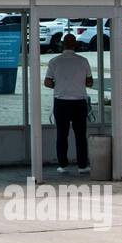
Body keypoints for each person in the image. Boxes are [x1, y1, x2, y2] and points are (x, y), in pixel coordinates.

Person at [44, 33, 93, 174]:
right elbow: (90, 82)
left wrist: (60, 85)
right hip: (79, 102)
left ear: (62, 44)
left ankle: (62, 165)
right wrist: (77, 83)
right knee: (80, 135)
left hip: (61, 101)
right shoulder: (83, 61)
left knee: (61, 134)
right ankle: (82, 165)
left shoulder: (54, 61)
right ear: (75, 45)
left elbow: (47, 82)